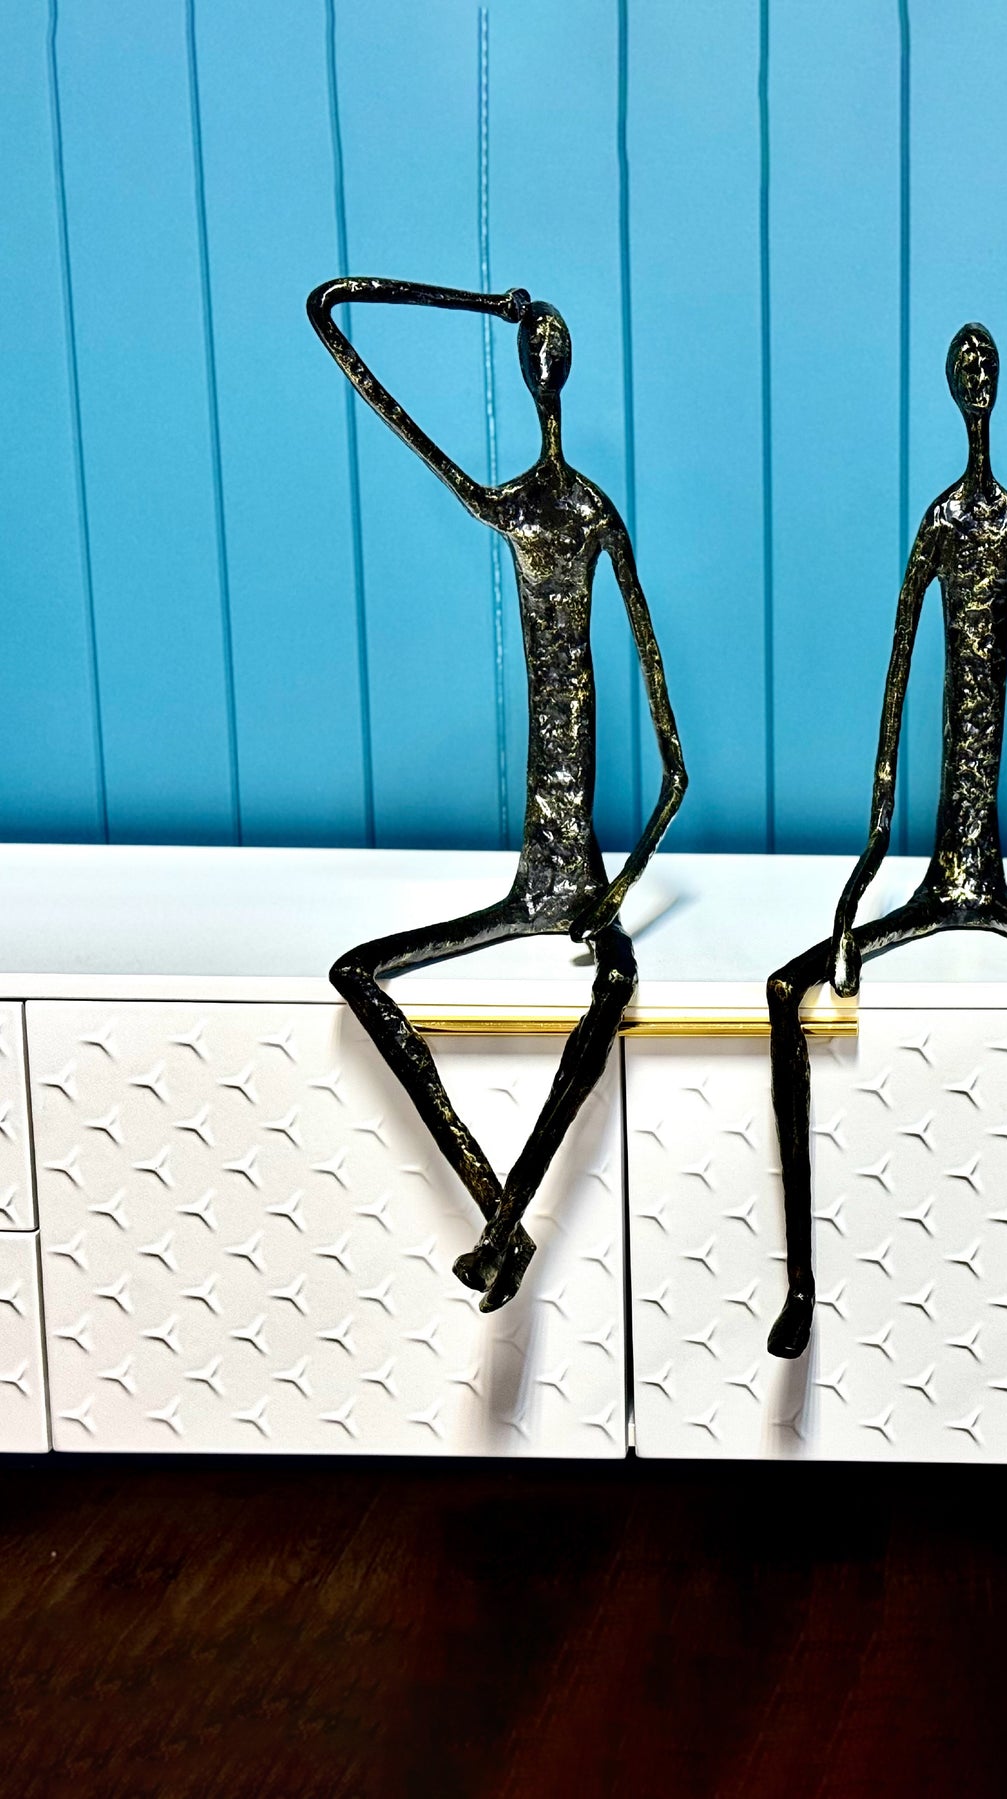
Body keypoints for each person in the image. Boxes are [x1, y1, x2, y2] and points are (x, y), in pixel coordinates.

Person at [764, 323, 1007, 1360]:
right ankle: (801, 1287)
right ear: (951, 388)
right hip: (935, 872)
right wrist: (861, 887)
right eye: (964, 370)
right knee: (785, 989)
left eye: (988, 370)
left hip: (995, 881)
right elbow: (896, 690)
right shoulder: (939, 524)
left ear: (998, 387)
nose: (978, 382)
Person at [309, 277, 685, 1311]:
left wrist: (617, 892)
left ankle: (501, 1223)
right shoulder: (509, 505)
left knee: (607, 1002)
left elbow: (676, 764)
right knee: (356, 972)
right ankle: (503, 1220)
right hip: (534, 875)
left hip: (580, 878)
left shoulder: (586, 514)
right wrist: (488, 303)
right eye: (538, 351)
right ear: (533, 373)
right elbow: (330, 308)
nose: (544, 364)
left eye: (546, 348)